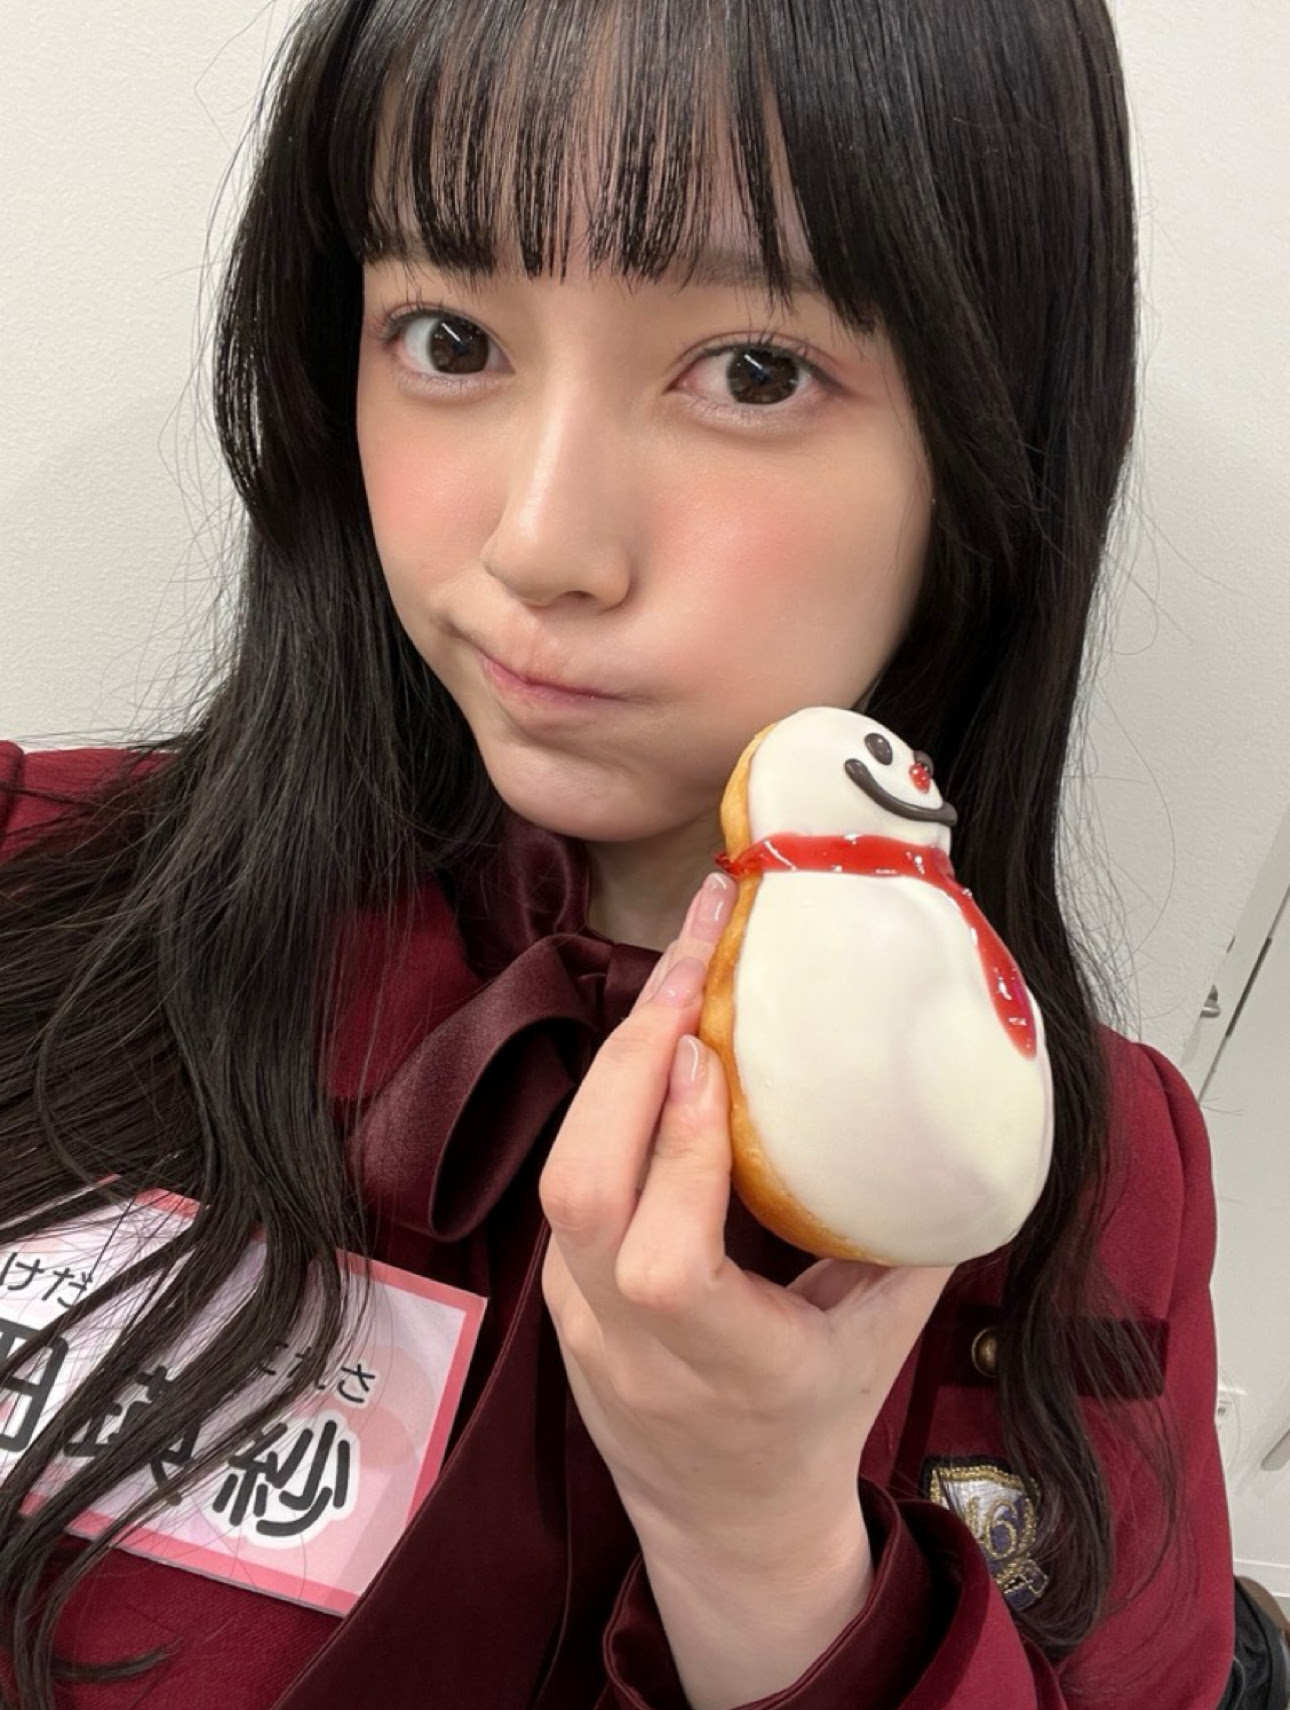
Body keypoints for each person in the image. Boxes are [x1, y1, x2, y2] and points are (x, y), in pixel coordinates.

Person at [0, 0, 1248, 1705]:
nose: (541, 542)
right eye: (448, 338)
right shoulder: (32, 866)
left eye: (751, 372)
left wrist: (769, 1557)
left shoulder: (1092, 1177)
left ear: (986, 441)